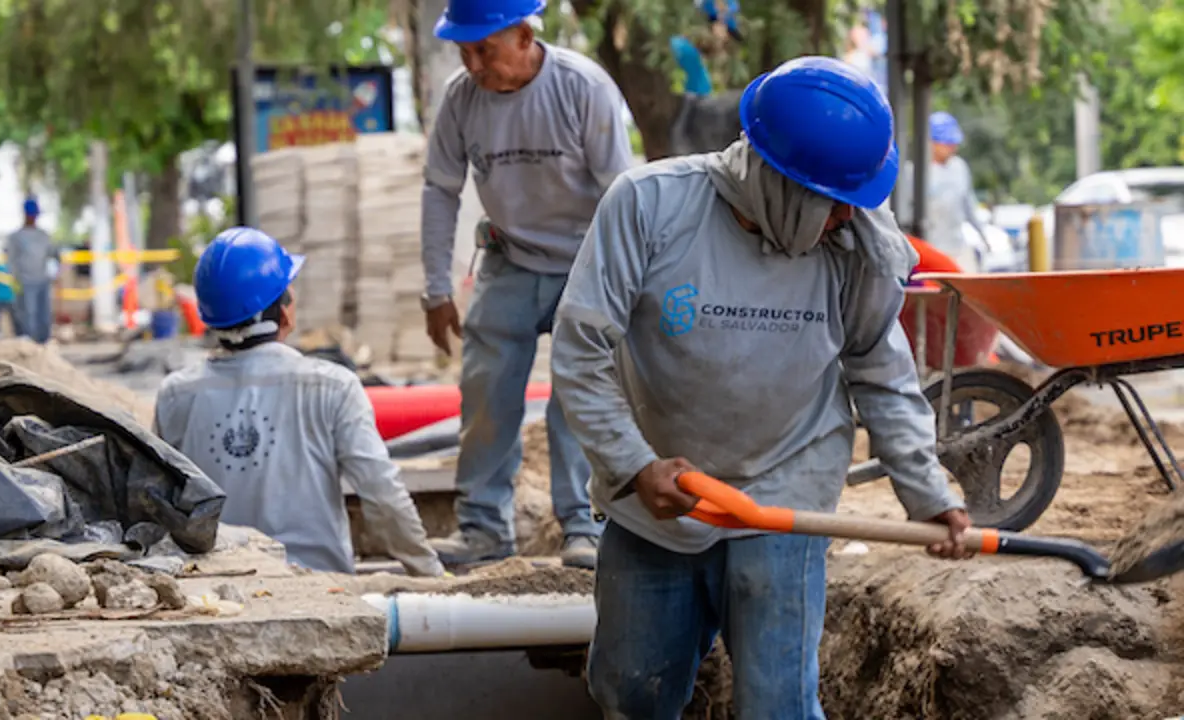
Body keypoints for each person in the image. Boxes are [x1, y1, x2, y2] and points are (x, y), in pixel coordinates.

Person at [551, 57, 972, 719]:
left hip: (784, 488)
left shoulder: (856, 243)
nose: (848, 215)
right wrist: (632, 466)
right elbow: (581, 351)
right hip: (660, 494)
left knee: (778, 705)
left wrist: (927, 493)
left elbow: (882, 372)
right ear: (778, 180)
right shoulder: (650, 205)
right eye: (833, 201)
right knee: (632, 693)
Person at [420, 0, 634, 569]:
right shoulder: (461, 100)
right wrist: (436, 289)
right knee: (485, 394)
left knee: (580, 396)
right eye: (463, 51)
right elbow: (439, 189)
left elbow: (622, 195)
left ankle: (584, 525)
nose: (472, 64)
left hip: (587, 262)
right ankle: (482, 528)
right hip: (509, 259)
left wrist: (627, 285)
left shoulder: (583, 87)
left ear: (522, 34)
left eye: (483, 49)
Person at [154, 227, 444, 578]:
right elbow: (382, 494)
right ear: (284, 312)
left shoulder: (176, 395)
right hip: (321, 586)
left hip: (219, 584)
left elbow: (159, 505)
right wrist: (429, 572)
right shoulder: (332, 386)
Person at [898, 111, 989, 272]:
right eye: (947, 143)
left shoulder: (959, 167)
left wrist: (983, 235)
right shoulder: (913, 173)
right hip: (929, 251)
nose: (953, 147)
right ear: (931, 143)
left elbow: (968, 205)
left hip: (957, 246)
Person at [5, 198, 56, 344]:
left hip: (42, 281)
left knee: (43, 315)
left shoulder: (44, 236)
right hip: (25, 282)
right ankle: (28, 344)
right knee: (27, 314)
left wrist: (53, 273)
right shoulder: (16, 237)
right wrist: (16, 279)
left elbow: (53, 256)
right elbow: (11, 260)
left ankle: (43, 343)